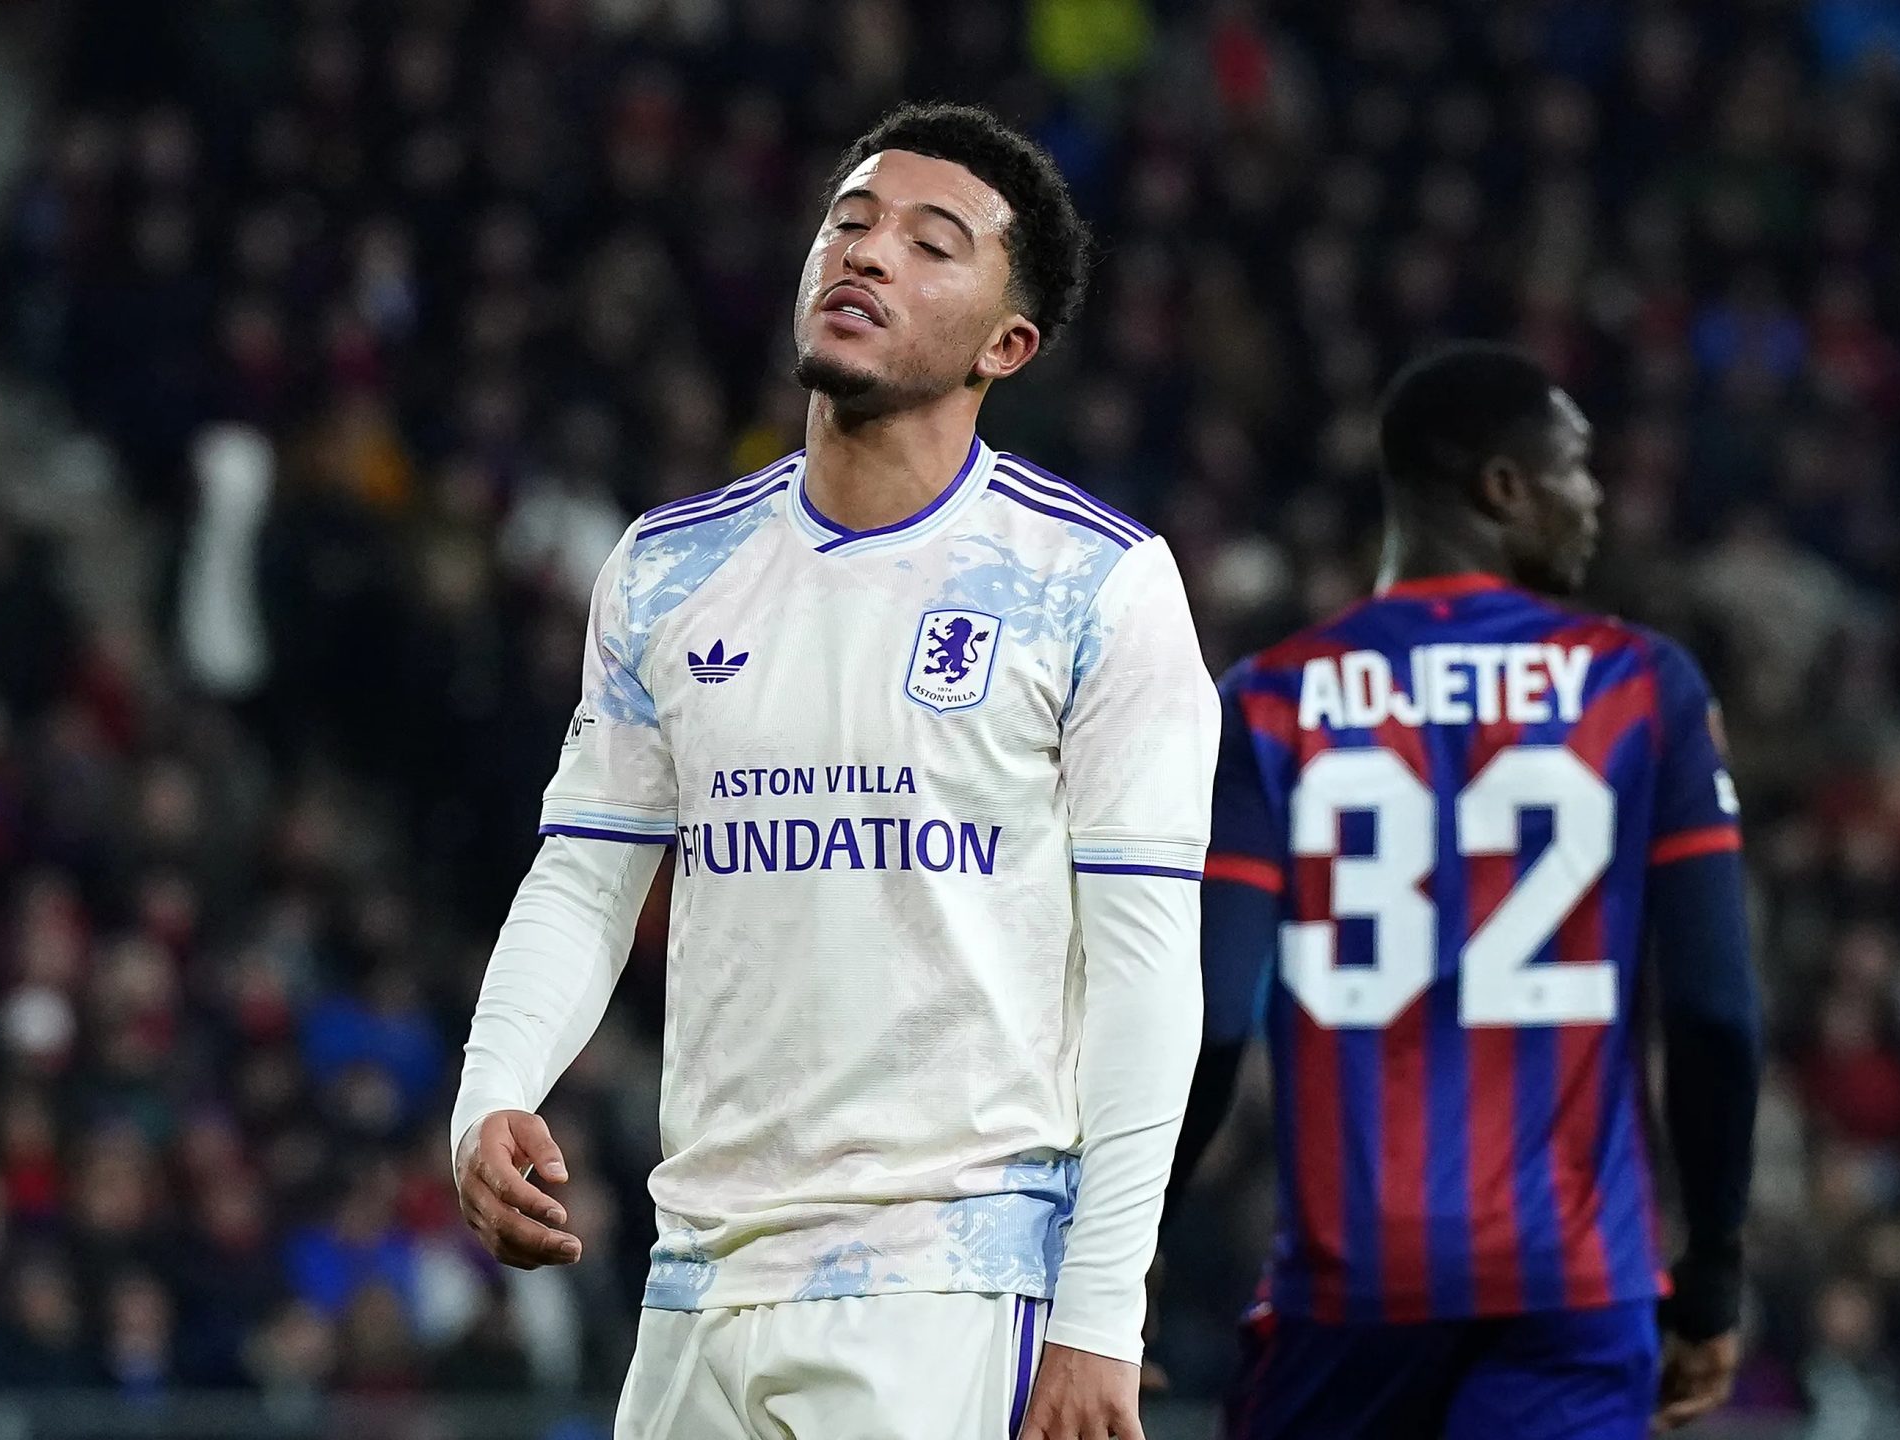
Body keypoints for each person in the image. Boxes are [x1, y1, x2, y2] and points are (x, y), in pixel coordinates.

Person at [447, 103, 1217, 1440]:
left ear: (1006, 344)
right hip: (698, 1271)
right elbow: (584, 879)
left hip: (947, 1274)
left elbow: (1148, 970)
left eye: (931, 243)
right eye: (849, 222)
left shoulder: (1093, 583)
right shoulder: (669, 569)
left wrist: (1102, 1313)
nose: (866, 253)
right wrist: (491, 1091)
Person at [1177, 344, 1762, 1438]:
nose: (1594, 499)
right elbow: (1714, 1011)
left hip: (1348, 1287)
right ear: (1503, 488)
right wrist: (1715, 1269)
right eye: (1574, 467)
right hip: (1570, 1286)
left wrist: (1127, 1253)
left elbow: (1209, 1020)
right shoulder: (1644, 689)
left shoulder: (1268, 703)